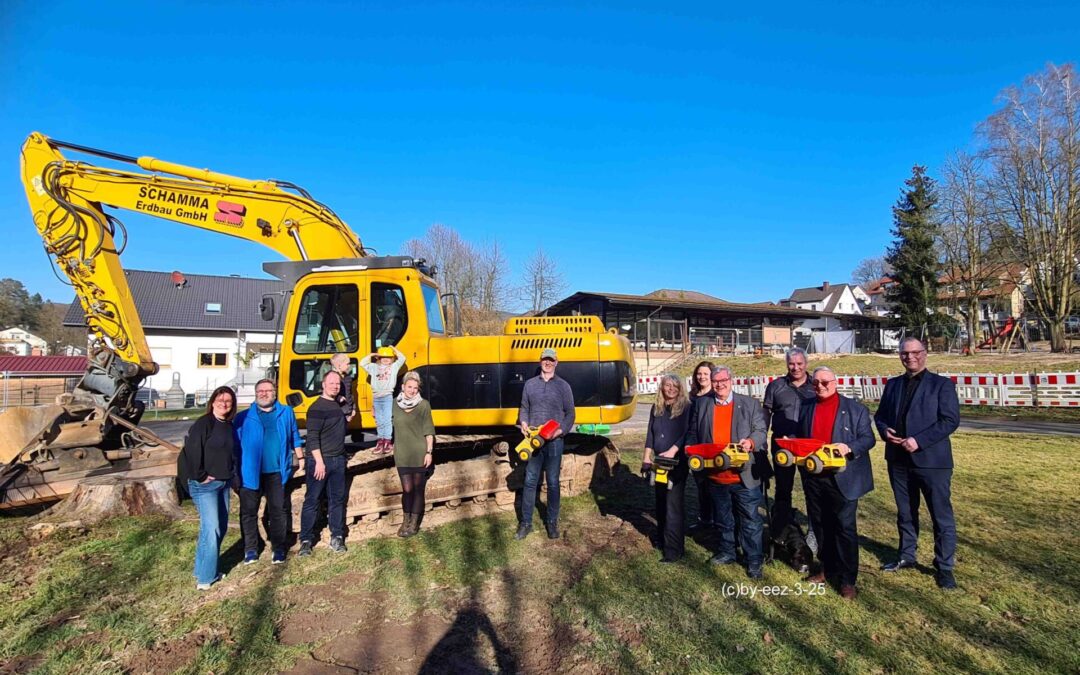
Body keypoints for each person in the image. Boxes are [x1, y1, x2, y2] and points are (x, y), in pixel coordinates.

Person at [874, 337, 961, 590]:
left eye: (915, 352)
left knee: (940, 515)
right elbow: (880, 416)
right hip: (898, 460)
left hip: (932, 461)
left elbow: (949, 420)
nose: (910, 357)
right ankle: (906, 555)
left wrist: (919, 441)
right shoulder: (892, 385)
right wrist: (884, 431)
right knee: (905, 512)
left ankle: (944, 567)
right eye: (904, 353)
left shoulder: (942, 385)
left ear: (925, 353)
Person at [796, 367, 876, 600]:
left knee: (844, 528)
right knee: (820, 526)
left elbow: (868, 439)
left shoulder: (855, 409)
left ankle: (848, 579)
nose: (820, 386)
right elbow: (803, 435)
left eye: (825, 382)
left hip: (843, 478)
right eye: (816, 383)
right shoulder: (807, 406)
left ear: (836, 382)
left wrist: (848, 447)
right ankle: (827, 569)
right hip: (814, 477)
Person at [686, 366, 768, 578]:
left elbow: (760, 431)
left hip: (743, 475)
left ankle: (754, 560)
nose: (719, 384)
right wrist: (690, 449)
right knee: (723, 518)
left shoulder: (749, 404)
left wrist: (750, 442)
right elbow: (694, 432)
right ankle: (727, 551)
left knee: (750, 520)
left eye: (723, 380)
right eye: (715, 381)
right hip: (715, 475)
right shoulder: (702, 404)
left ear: (731, 380)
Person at [234, 379, 303, 565]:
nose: (264, 394)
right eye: (260, 391)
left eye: (268, 390)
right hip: (250, 472)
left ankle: (278, 548)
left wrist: (301, 458)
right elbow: (234, 446)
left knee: (278, 510)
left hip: (276, 471)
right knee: (248, 512)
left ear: (275, 392)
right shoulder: (244, 417)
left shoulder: (286, 412)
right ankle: (250, 549)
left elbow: (294, 437)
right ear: (256, 394)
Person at [180, 386, 237, 591]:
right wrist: (200, 475)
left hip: (223, 483)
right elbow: (192, 450)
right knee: (211, 529)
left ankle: (202, 568)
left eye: (228, 401)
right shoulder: (204, 424)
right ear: (213, 402)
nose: (224, 404)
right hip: (204, 486)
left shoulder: (228, 426)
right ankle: (205, 578)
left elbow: (231, 455)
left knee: (218, 529)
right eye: (220, 400)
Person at [516, 347, 576, 541]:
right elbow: (524, 407)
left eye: (551, 360)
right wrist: (523, 422)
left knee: (552, 482)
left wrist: (560, 431)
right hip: (533, 441)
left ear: (556, 362)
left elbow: (570, 414)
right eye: (545, 360)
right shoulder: (530, 385)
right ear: (540, 361)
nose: (547, 363)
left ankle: (551, 522)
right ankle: (526, 524)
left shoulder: (564, 386)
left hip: (554, 441)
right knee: (530, 481)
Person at [762, 348, 817, 539]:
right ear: (787, 364)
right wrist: (762, 442)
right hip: (783, 446)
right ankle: (781, 530)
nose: (796, 368)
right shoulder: (775, 386)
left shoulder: (815, 386)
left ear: (806, 364)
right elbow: (765, 414)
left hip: (808, 447)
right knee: (783, 488)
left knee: (812, 488)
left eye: (799, 364)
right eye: (792, 364)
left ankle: (814, 532)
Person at [298, 370, 350, 555]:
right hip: (320, 461)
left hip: (338, 460)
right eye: (332, 383)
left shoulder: (336, 405)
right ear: (323, 385)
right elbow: (312, 438)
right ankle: (306, 540)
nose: (335, 386)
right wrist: (319, 462)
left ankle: (337, 536)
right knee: (312, 500)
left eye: (338, 383)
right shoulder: (316, 408)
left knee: (337, 500)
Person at [641, 373, 691, 563]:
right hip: (658, 463)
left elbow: (687, 433)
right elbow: (650, 435)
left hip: (676, 462)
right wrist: (647, 457)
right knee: (660, 502)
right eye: (667, 385)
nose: (670, 389)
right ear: (661, 387)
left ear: (680, 389)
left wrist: (672, 450)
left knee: (673, 505)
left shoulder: (686, 408)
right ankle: (662, 539)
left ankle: (674, 550)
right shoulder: (657, 408)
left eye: (674, 386)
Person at [392, 371, 436, 538]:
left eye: (415, 388)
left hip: (419, 452)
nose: (412, 390)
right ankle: (405, 520)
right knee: (407, 489)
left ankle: (413, 524)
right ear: (403, 387)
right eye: (409, 387)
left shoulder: (423, 405)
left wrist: (429, 452)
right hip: (402, 453)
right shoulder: (394, 404)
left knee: (418, 489)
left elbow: (429, 431)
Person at [360, 345, 406, 455]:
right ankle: (380, 441)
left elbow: (403, 358)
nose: (386, 360)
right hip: (376, 397)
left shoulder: (394, 367)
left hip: (387, 397)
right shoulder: (373, 367)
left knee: (387, 419)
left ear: (392, 359)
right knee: (379, 420)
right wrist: (372, 354)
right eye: (383, 357)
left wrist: (394, 349)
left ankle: (387, 441)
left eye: (389, 358)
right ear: (378, 358)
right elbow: (362, 363)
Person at [687, 361, 716, 533]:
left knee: (713, 485)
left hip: (710, 446)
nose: (702, 377)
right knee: (701, 485)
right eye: (699, 373)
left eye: (705, 374)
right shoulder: (692, 396)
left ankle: (717, 519)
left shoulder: (714, 396)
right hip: (694, 447)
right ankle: (705, 518)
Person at [330, 353, 356, 424]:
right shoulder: (330, 377)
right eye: (347, 364)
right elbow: (327, 393)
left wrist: (353, 408)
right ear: (339, 365)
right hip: (335, 411)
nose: (349, 366)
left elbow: (350, 394)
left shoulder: (348, 378)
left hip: (347, 411)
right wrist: (338, 397)